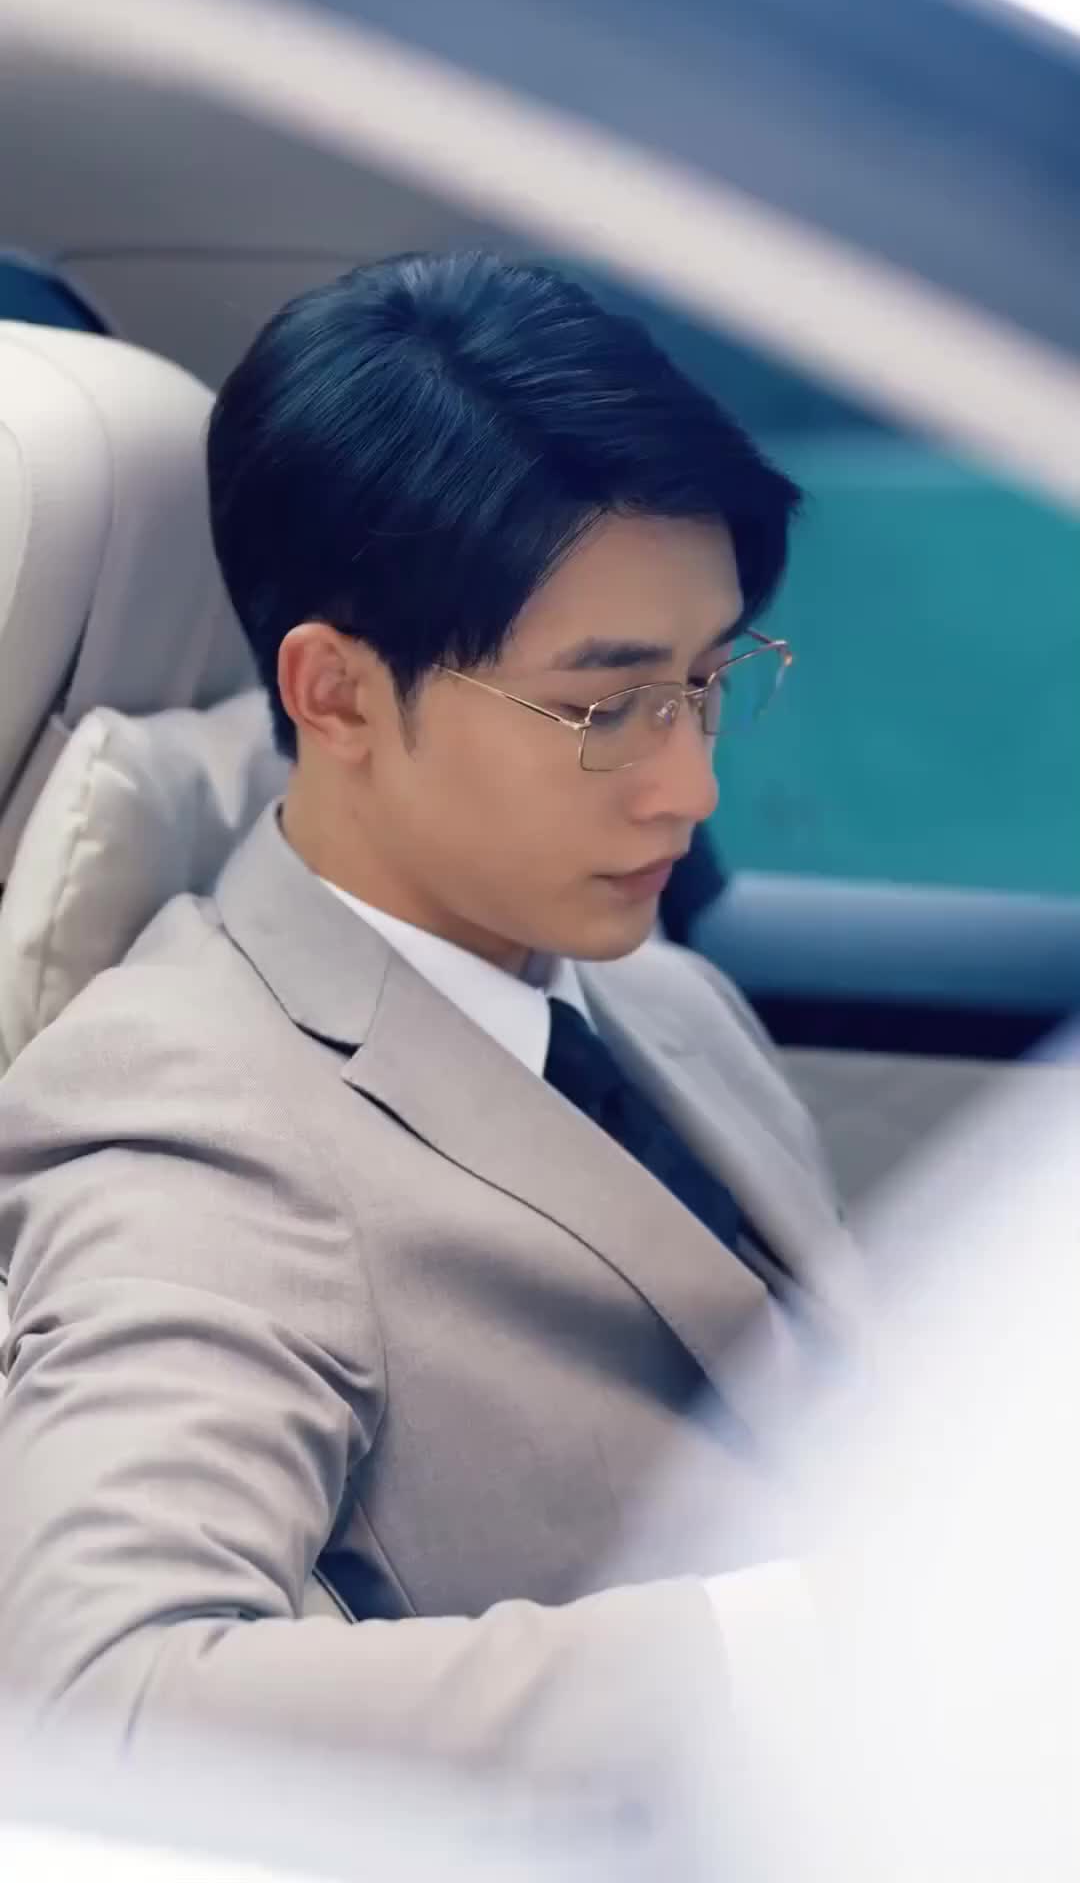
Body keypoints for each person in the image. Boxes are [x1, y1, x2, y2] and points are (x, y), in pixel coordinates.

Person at [0, 253, 854, 1845]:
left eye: (709, 680)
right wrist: (792, 1651)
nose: (690, 787)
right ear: (333, 694)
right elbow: (94, 1699)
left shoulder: (660, 998)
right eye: (603, 709)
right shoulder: (198, 1122)